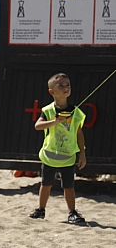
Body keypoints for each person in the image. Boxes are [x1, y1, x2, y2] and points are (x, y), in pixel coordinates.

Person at [29, 73, 86, 225]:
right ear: (51, 91)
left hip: (68, 156)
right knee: (46, 184)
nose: (65, 88)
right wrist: (54, 121)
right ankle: (41, 209)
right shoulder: (47, 110)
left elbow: (79, 133)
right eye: (60, 86)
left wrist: (82, 154)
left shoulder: (76, 112)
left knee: (69, 186)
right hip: (49, 155)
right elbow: (37, 126)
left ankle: (72, 212)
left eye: (67, 85)